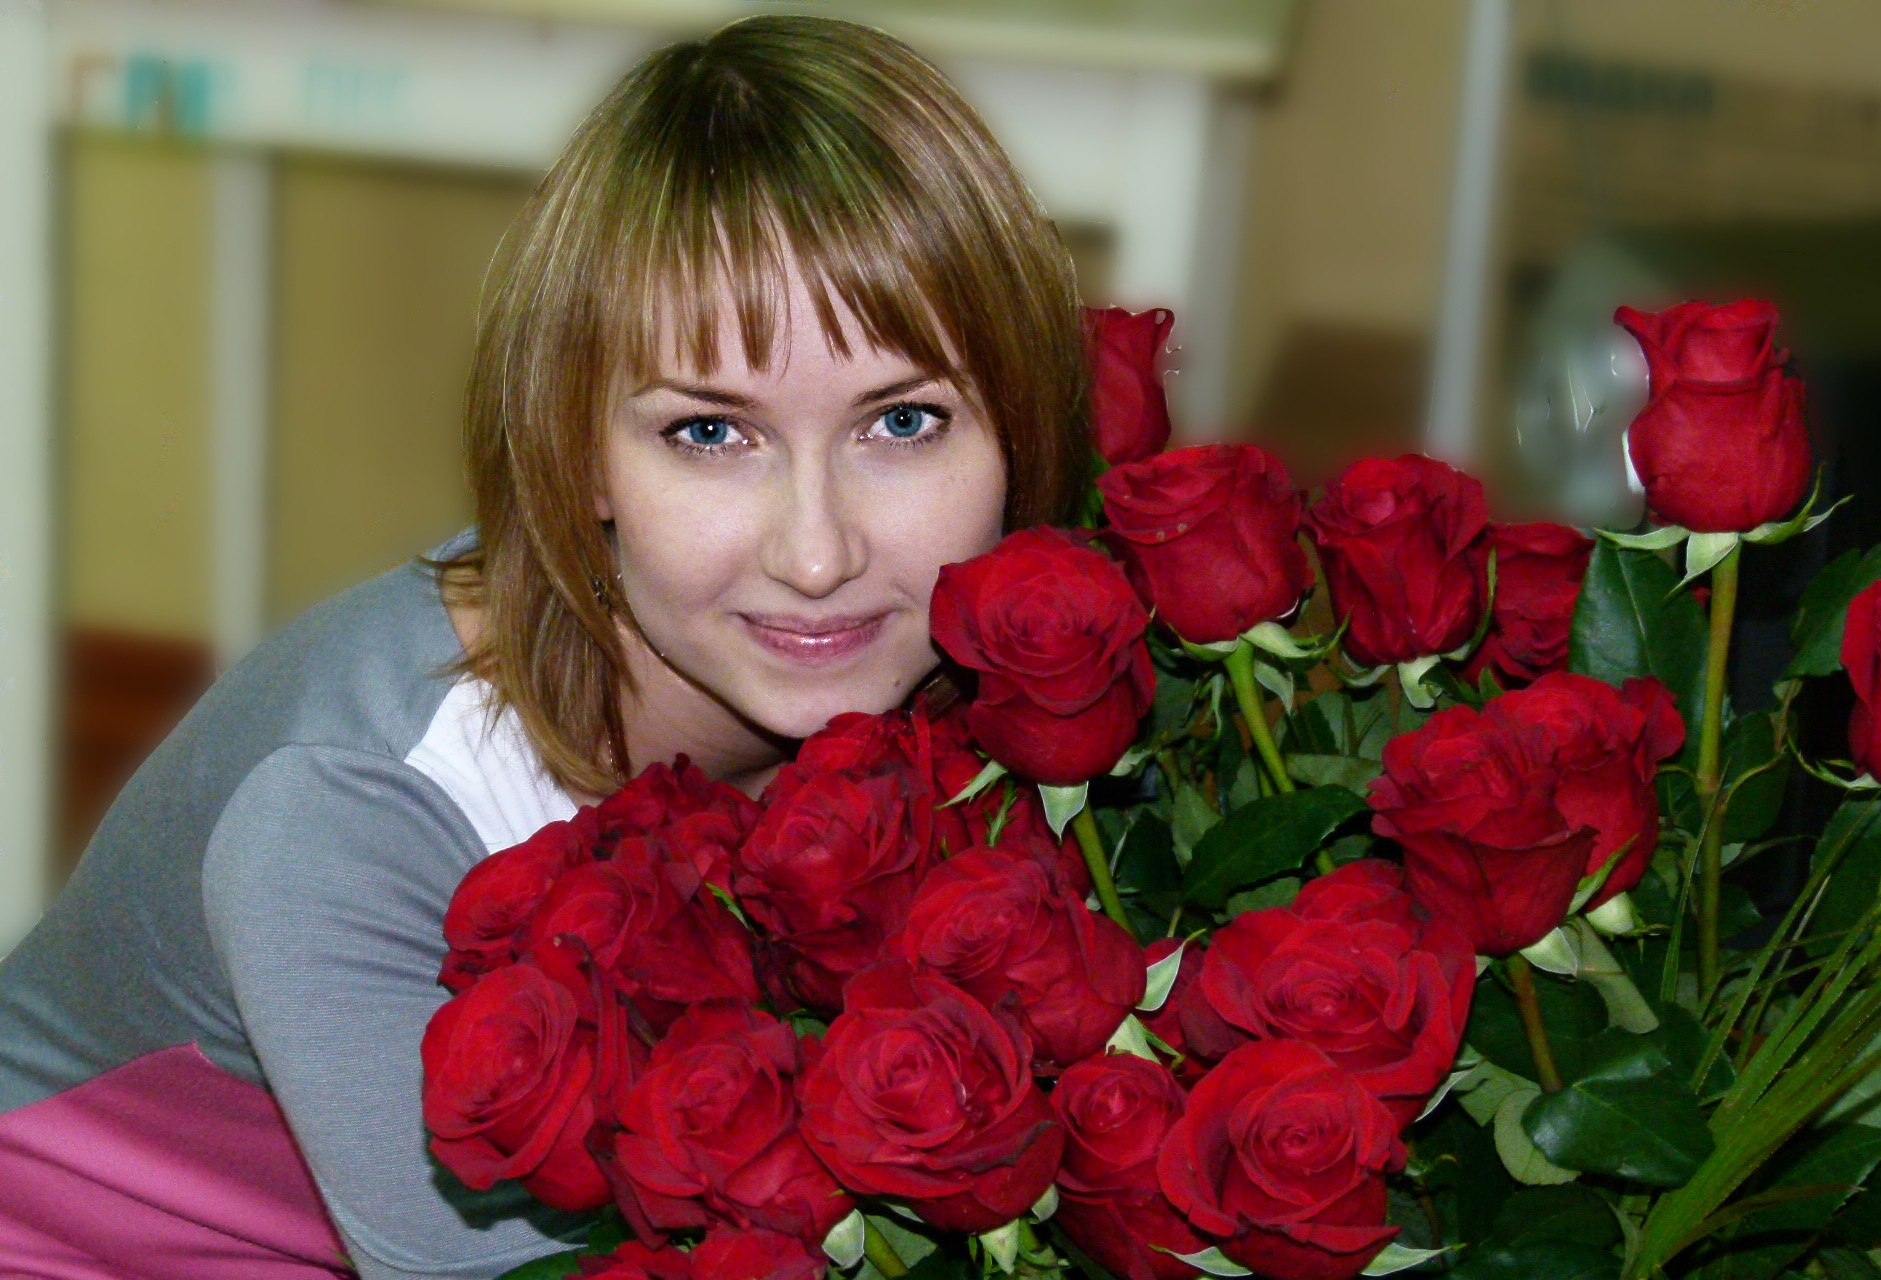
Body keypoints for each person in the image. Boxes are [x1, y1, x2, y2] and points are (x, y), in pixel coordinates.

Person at [0, 16, 1088, 1278]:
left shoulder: (973, 674)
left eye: (902, 422)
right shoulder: (354, 811)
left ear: (1018, 427)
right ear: (578, 454)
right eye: (709, 433)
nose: (816, 553)